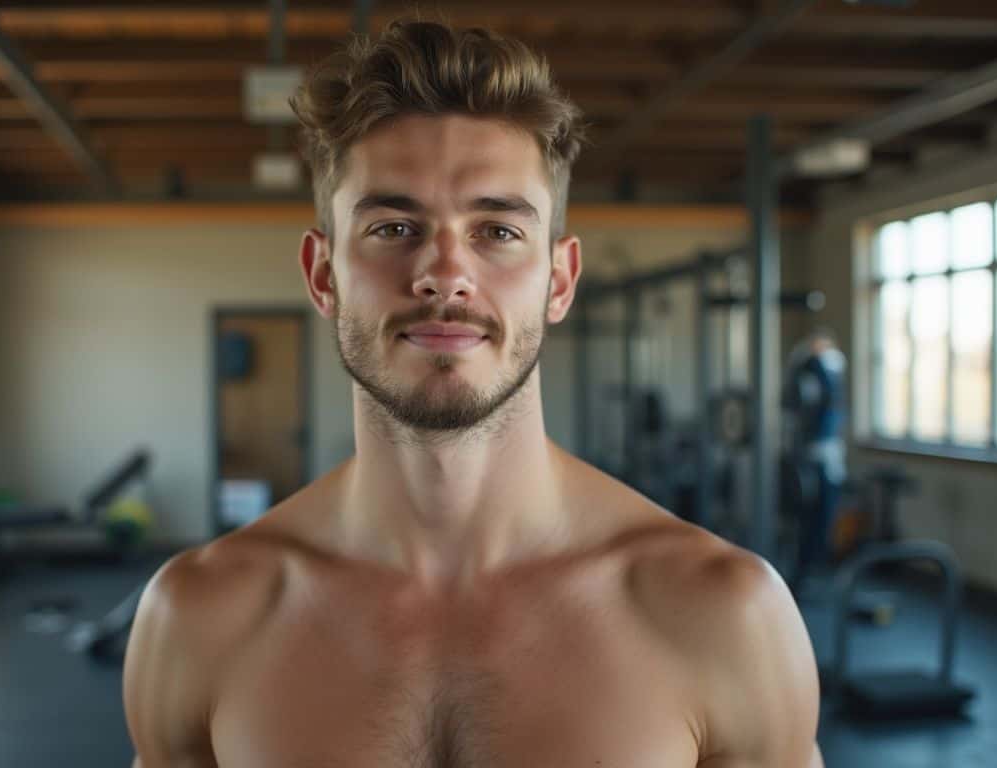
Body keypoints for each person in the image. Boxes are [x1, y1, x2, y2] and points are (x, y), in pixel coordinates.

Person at [124, 21, 822, 768]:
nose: (445, 272)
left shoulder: (723, 617)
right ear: (323, 274)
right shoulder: (200, 617)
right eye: (394, 226)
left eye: (496, 231)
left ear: (559, 279)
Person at [782, 327, 847, 597]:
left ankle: (809, 569)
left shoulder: (827, 369)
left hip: (824, 452)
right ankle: (802, 572)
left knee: (821, 517)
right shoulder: (812, 368)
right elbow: (796, 406)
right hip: (813, 455)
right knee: (809, 517)